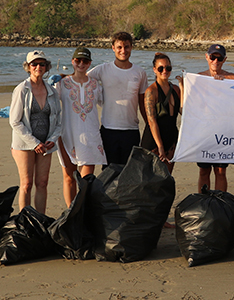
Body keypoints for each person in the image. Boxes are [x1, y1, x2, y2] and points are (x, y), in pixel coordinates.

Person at [9, 50, 62, 214]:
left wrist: (53, 139)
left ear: (47, 67)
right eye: (34, 64)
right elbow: (15, 121)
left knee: (43, 183)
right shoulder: (21, 89)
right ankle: (25, 222)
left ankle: (40, 221)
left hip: (46, 144)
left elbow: (59, 120)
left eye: (42, 64)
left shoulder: (52, 91)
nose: (38, 66)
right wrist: (34, 143)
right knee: (27, 184)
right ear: (28, 67)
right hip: (24, 144)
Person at [88, 32, 148, 165]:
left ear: (131, 47)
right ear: (113, 48)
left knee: (129, 172)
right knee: (109, 171)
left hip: (131, 130)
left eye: (126, 47)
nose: (123, 51)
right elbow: (80, 79)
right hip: (108, 130)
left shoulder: (140, 73)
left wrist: (149, 125)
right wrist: (62, 79)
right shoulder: (102, 69)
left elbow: (143, 103)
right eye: (119, 47)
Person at [56, 46, 106, 207]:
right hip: (68, 135)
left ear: (90, 63)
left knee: (86, 183)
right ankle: (70, 214)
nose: (81, 63)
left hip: (90, 136)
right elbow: (50, 104)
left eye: (85, 61)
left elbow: (108, 102)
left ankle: (82, 215)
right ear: (72, 61)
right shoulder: (62, 84)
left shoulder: (96, 85)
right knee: (69, 177)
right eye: (78, 60)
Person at [197, 44, 234, 192]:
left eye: (219, 58)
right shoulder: (198, 78)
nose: (215, 61)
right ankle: (203, 202)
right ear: (206, 57)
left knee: (221, 171)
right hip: (204, 132)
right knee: (204, 170)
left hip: (224, 131)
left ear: (224, 59)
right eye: (212, 57)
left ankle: (221, 203)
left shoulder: (231, 78)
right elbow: (193, 104)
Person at [142, 52, 183, 174]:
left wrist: (182, 87)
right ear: (154, 70)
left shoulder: (175, 89)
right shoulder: (151, 91)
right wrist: (160, 146)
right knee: (152, 180)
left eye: (168, 68)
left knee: (167, 178)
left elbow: (183, 111)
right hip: (154, 141)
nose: (164, 71)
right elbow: (152, 122)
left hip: (171, 138)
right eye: (161, 68)